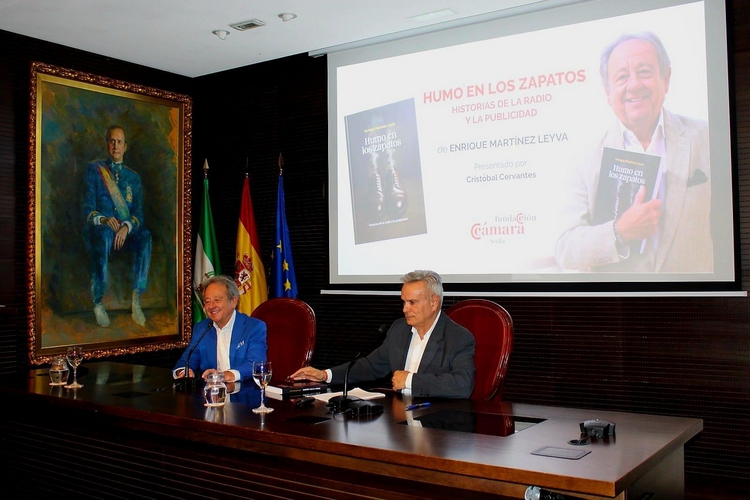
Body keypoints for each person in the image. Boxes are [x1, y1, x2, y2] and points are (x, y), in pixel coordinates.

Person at [554, 31, 712, 272]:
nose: (634, 85)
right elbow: (566, 250)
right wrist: (620, 231)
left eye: (645, 72)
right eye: (622, 77)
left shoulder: (708, 138)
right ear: (608, 92)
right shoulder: (584, 160)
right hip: (621, 297)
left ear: (666, 79)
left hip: (698, 294)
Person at [291, 270, 476, 398]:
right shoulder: (399, 329)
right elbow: (371, 366)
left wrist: (410, 380)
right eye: (403, 302)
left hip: (437, 424)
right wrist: (325, 375)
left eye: (412, 302)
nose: (405, 309)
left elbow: (463, 385)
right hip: (400, 418)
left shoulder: (459, 337)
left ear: (434, 302)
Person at [83, 125, 152, 327]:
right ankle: (98, 302)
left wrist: (126, 227)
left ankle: (136, 299)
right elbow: (87, 210)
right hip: (102, 230)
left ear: (125, 146)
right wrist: (104, 219)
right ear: (107, 144)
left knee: (145, 236)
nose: (115, 145)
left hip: (125, 233)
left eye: (119, 142)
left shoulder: (133, 178)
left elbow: (138, 214)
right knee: (104, 234)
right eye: (112, 141)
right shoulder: (95, 171)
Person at [174, 275, 267, 383]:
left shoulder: (254, 327)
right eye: (207, 301)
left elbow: (256, 364)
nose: (211, 306)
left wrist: (225, 375)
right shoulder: (202, 328)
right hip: (211, 391)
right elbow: (186, 361)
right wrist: (184, 371)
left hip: (244, 390)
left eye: (217, 300)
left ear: (233, 301)